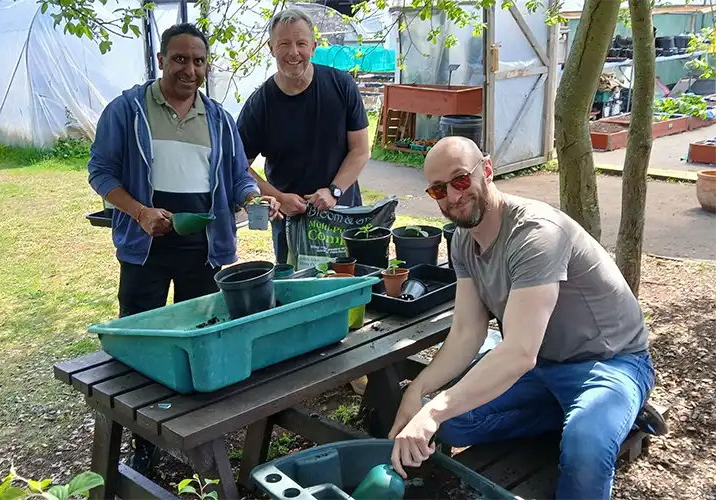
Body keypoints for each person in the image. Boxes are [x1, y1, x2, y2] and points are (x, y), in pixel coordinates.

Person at [387, 136, 658, 499]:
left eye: (460, 180)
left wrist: (432, 410)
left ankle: (611, 414)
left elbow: (517, 352)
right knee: (449, 425)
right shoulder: (463, 241)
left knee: (585, 448)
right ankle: (579, 415)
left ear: (486, 170)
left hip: (609, 363)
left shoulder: (536, 234)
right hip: (542, 368)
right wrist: (418, 393)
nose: (452, 195)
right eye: (439, 189)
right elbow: (467, 332)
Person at [87, 22, 279, 473]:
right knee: (141, 343)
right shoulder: (128, 110)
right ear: (160, 60)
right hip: (145, 247)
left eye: (198, 60)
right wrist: (139, 212)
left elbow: (236, 178)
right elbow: (100, 172)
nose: (189, 69)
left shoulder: (218, 119)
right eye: (179, 58)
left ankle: (196, 435)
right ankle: (141, 441)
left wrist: (252, 198)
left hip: (205, 248)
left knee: (200, 341)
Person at [236, 7, 371, 265]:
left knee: (347, 290)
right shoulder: (260, 105)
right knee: (296, 294)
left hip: (342, 215)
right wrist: (276, 196)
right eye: (284, 44)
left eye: (301, 43)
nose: (293, 52)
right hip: (290, 224)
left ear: (314, 47)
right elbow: (237, 165)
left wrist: (334, 190)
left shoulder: (342, 86)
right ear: (271, 48)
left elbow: (360, 150)